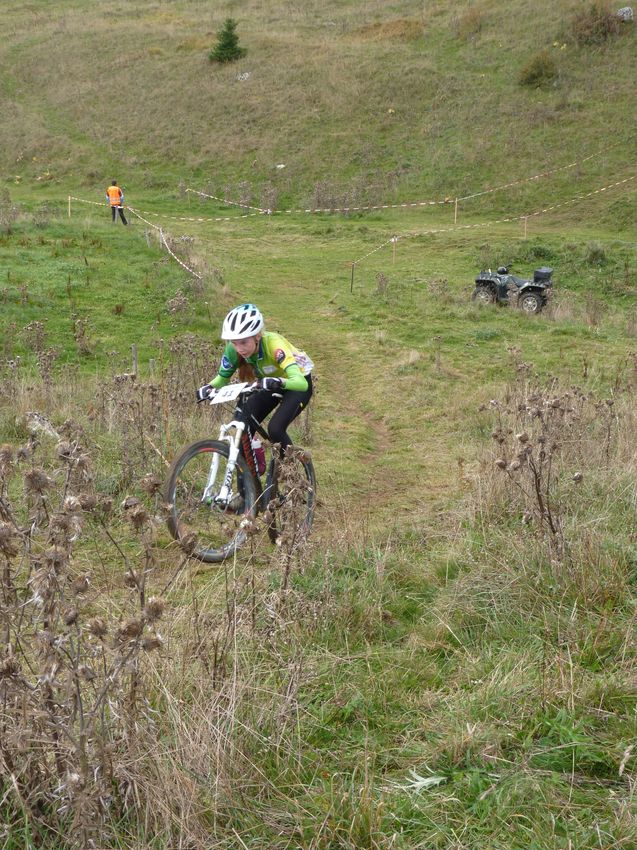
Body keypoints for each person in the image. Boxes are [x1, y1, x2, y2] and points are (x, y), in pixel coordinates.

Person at [196, 303, 313, 455]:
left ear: (257, 336)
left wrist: (280, 382)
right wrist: (209, 387)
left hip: (296, 384)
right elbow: (222, 378)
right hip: (268, 382)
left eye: (243, 342)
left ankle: (291, 467)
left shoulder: (274, 345)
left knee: (275, 429)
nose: (239, 349)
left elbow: (301, 383)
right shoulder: (233, 350)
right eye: (234, 343)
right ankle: (246, 468)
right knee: (242, 425)